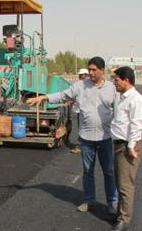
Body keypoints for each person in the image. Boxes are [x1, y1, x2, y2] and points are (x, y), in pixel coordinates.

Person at [27, 57, 118, 214]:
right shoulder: (80, 86)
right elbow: (63, 95)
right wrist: (44, 97)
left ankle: (113, 203)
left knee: (108, 171)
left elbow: (122, 107)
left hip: (105, 137)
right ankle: (89, 201)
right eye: (89, 69)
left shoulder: (112, 88)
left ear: (102, 70)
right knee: (88, 171)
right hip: (87, 138)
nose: (90, 72)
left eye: (94, 70)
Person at [107, 66, 142, 231]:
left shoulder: (136, 100)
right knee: (119, 182)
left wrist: (131, 146)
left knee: (125, 185)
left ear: (126, 80)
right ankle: (120, 214)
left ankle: (124, 220)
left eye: (116, 80)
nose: (114, 83)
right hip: (118, 145)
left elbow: (137, 125)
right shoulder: (121, 97)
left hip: (127, 147)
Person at [70, 68, 90, 154]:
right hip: (80, 110)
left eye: (81, 75)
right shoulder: (79, 84)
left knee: (83, 129)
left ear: (86, 75)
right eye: (80, 75)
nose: (80, 76)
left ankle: (81, 146)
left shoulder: (89, 85)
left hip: (85, 111)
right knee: (82, 128)